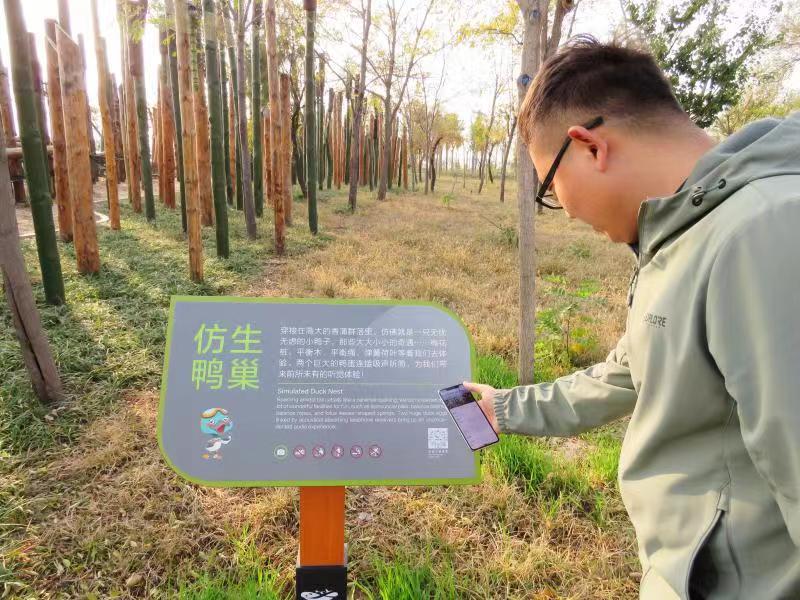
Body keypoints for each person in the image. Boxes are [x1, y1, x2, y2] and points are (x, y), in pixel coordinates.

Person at [464, 35, 800, 599]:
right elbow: (626, 372)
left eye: (550, 188)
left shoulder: (762, 229)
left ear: (588, 147)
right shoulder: (684, 237)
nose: (565, 212)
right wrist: (500, 410)